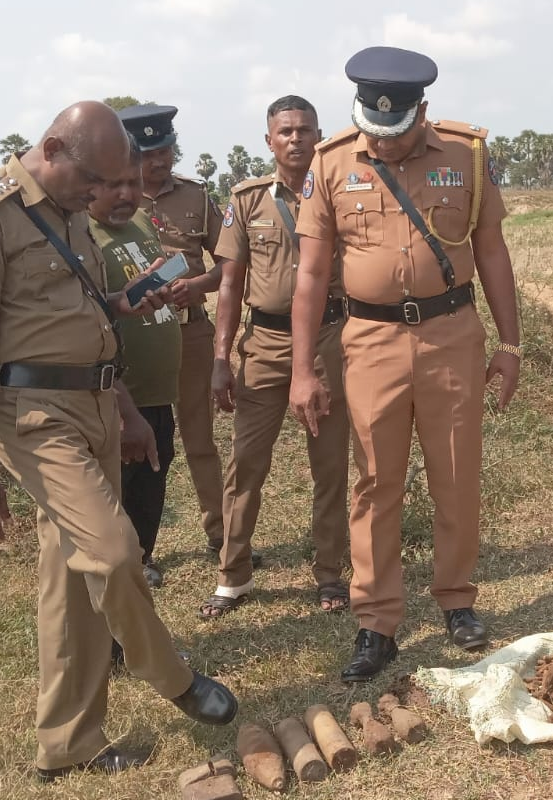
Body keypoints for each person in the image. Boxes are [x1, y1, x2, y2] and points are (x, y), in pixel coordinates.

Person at [0, 101, 237, 782]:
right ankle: (172, 676)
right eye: (96, 180)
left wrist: (126, 402)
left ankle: (68, 744)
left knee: (71, 585)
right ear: (52, 149)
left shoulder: (71, 209)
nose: (106, 194)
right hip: (35, 414)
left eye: (114, 181)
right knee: (114, 550)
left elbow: (87, 321)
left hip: (97, 402)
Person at [289, 46, 522, 681]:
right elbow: (310, 272)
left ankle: (456, 600)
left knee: (456, 474)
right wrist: (303, 370)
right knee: (374, 481)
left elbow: (492, 250)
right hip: (369, 341)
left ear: (421, 112)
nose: (382, 141)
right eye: (373, 127)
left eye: (394, 129)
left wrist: (510, 344)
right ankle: (376, 621)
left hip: (451, 335)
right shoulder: (331, 161)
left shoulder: (466, 156)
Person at [201, 95, 351, 619]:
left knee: (329, 465)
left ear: (319, 136)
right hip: (264, 344)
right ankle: (233, 574)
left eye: (304, 130)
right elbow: (229, 284)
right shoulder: (247, 201)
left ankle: (330, 572)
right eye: (285, 131)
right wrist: (221, 358)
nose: (295, 139)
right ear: (269, 141)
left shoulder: (337, 192)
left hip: (330, 339)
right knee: (246, 464)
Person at [118, 104, 227, 554]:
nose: (159, 161)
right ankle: (136, 547)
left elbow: (230, 264)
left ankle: (221, 535)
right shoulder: (113, 201)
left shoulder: (196, 196)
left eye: (164, 151)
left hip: (190, 333)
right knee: (136, 440)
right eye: (148, 154)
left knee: (200, 440)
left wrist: (198, 286)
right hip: (137, 339)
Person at [87, 137, 181, 591]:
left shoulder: (141, 219)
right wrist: (124, 412)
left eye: (132, 182)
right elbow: (87, 318)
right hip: (119, 397)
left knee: (148, 497)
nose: (127, 193)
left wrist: (159, 281)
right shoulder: (80, 235)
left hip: (158, 393)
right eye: (113, 184)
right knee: (115, 509)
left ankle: (141, 563)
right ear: (88, 184)